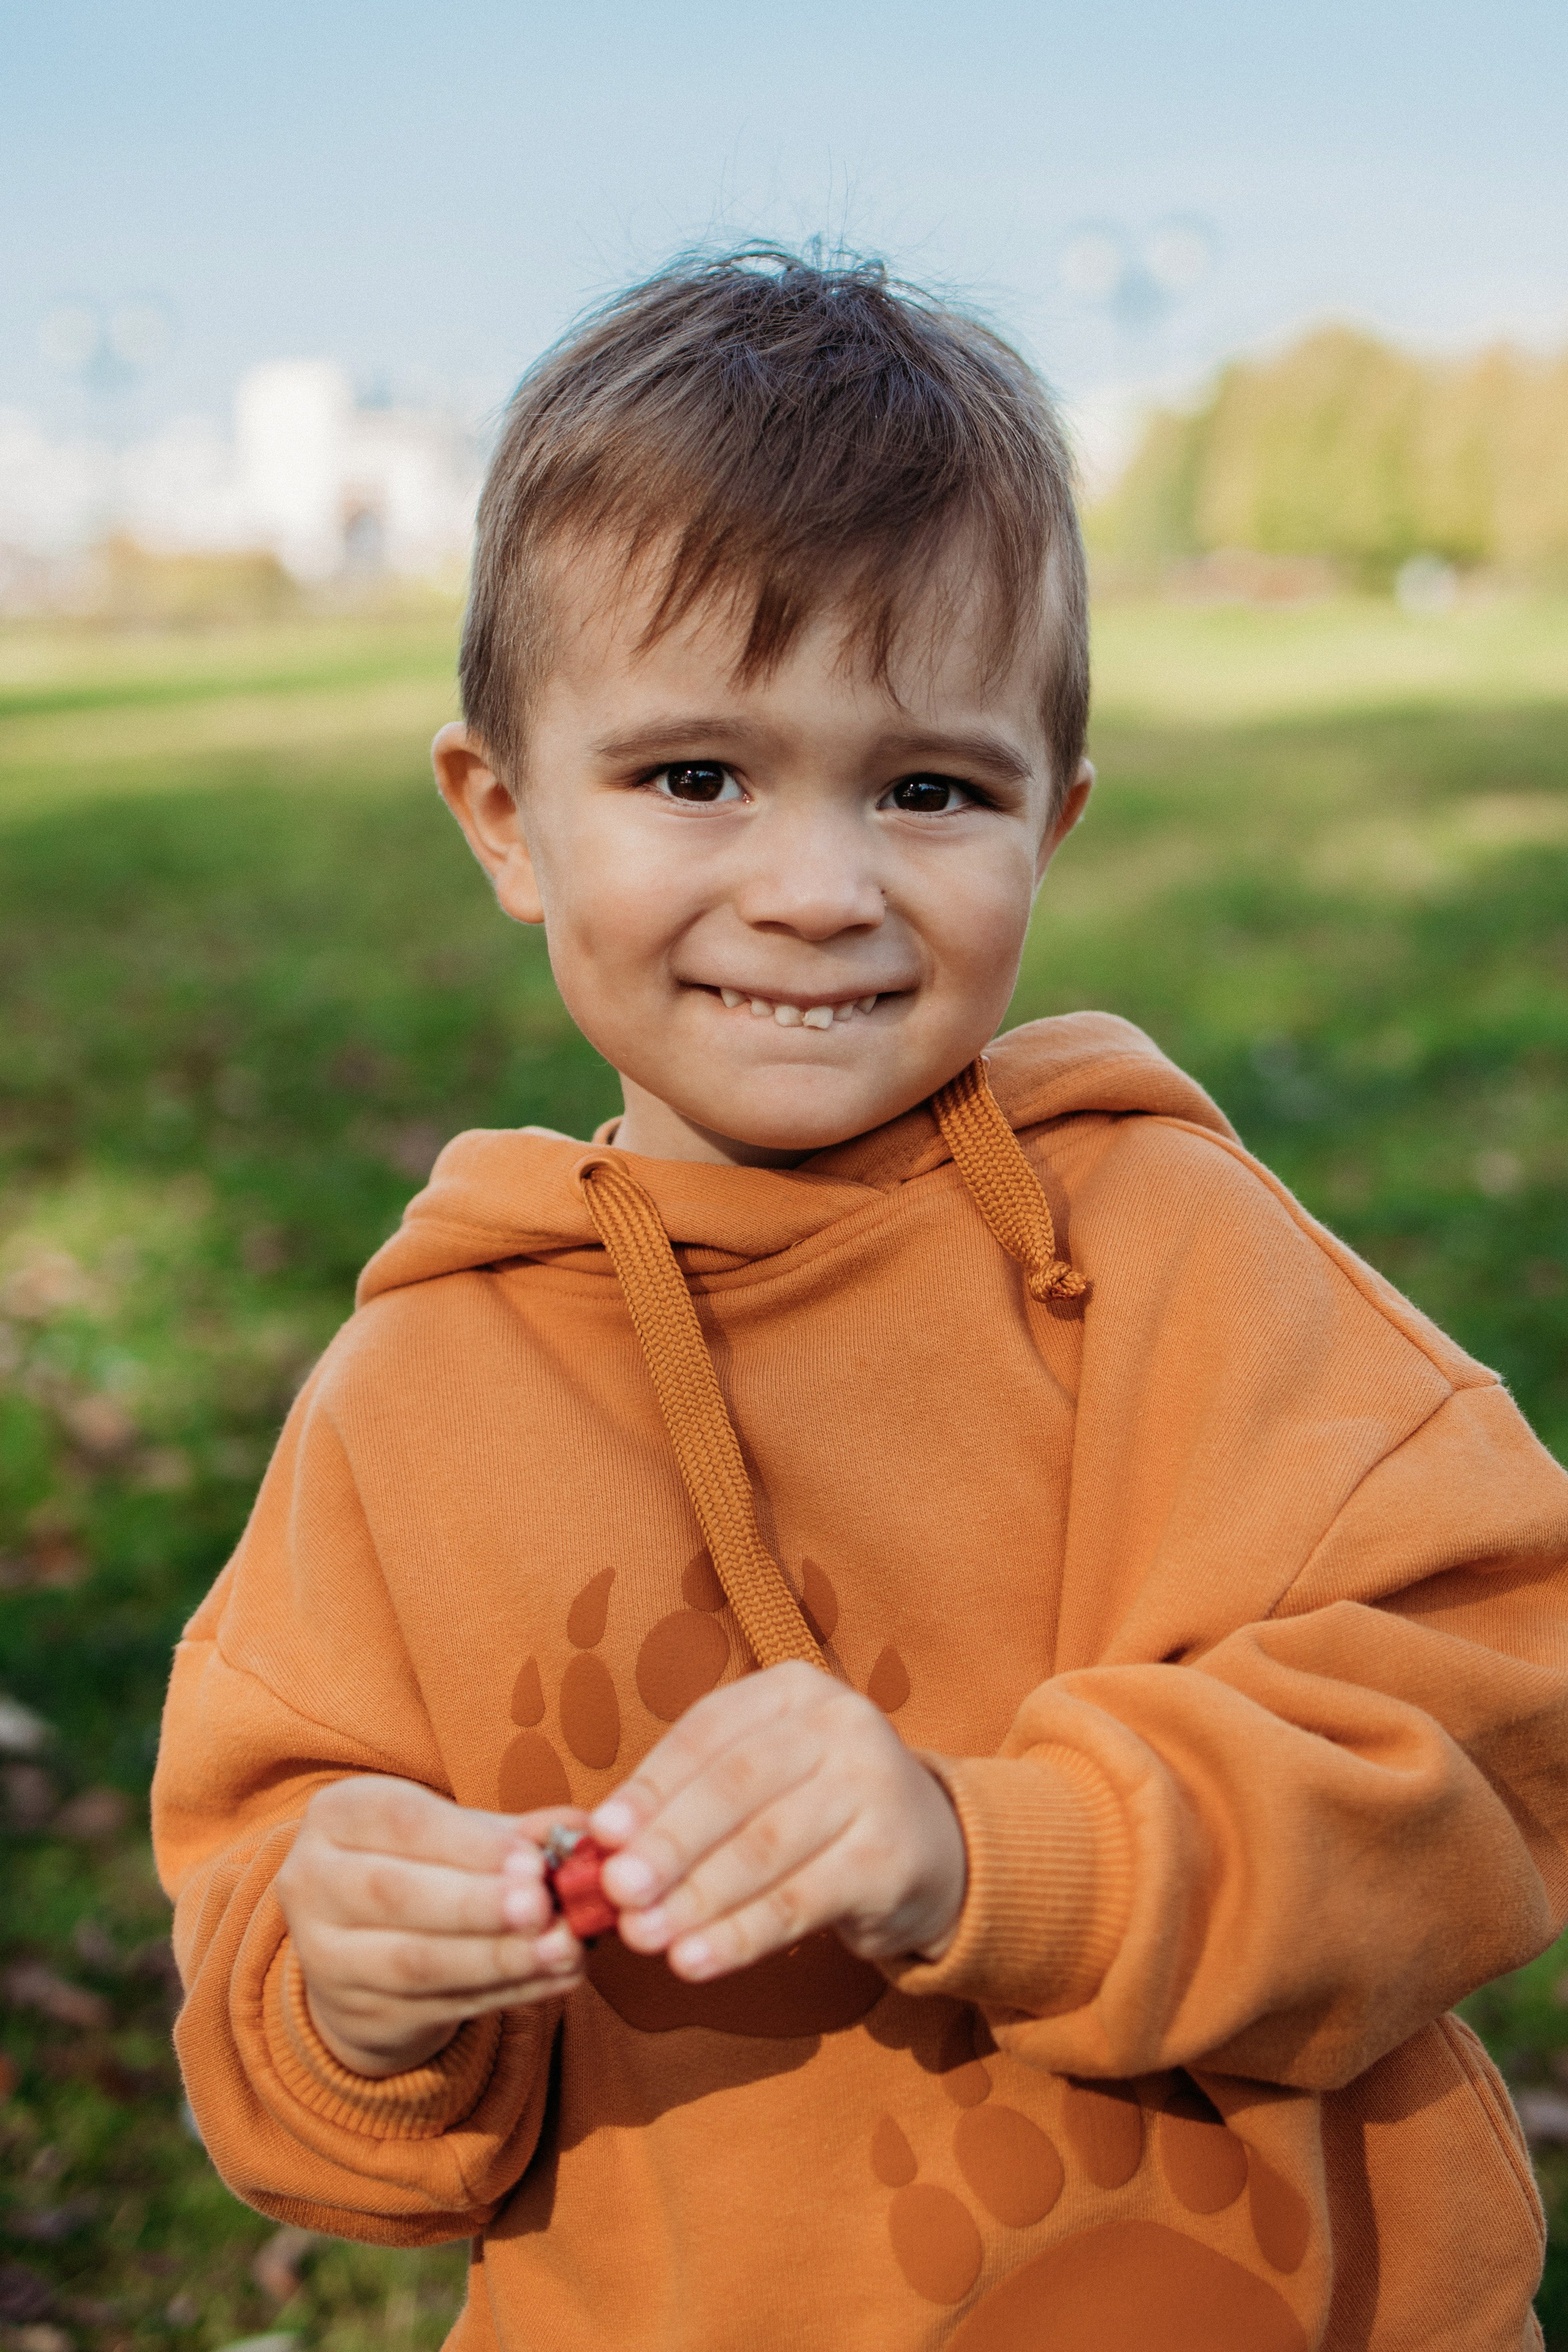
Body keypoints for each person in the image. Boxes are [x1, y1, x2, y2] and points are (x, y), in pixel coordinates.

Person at [152, 250, 1568, 2352]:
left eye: (929, 788)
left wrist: (996, 1850)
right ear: (504, 815)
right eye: (695, 777)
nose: (818, 888)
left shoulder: (1174, 1254)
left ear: (1051, 823)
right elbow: (313, 2087)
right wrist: (353, 1988)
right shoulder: (415, 1399)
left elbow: (1492, 1712)